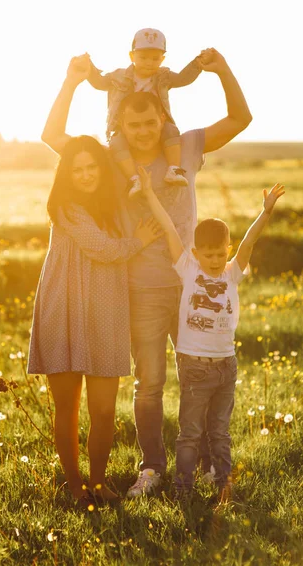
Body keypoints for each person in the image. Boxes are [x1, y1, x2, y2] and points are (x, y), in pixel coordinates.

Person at [41, 46, 253, 499]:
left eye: (149, 122)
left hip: (193, 286)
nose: (141, 132)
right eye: (132, 124)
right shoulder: (110, 159)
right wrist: (72, 81)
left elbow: (239, 120)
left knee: (209, 375)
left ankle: (214, 466)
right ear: (122, 123)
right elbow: (54, 136)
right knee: (150, 385)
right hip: (139, 290)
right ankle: (153, 468)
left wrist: (223, 70)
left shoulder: (188, 145)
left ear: (163, 119)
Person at [27, 132, 161, 504]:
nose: (86, 175)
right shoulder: (65, 206)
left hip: (105, 314)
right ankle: (75, 487)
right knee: (67, 408)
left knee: (103, 411)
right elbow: (101, 248)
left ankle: (100, 484)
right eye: (77, 169)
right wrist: (138, 242)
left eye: (91, 167)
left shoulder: (114, 204)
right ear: (66, 173)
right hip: (64, 311)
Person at [138, 164, 284, 499]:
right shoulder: (187, 268)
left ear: (228, 250)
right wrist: (148, 192)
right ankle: (183, 488)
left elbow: (250, 240)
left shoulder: (233, 273)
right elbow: (168, 227)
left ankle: (222, 487)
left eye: (221, 253)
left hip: (225, 366)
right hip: (194, 365)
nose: (216, 260)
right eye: (209, 254)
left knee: (220, 432)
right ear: (195, 252)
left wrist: (265, 213)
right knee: (189, 433)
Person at [87, 28, 202, 197]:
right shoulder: (118, 76)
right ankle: (134, 179)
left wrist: (197, 63)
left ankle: (173, 169)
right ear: (132, 56)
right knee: (117, 143)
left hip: (156, 124)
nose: (149, 63)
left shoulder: (164, 76)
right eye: (143, 58)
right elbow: (99, 83)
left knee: (171, 131)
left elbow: (183, 79)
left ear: (162, 59)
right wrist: (88, 66)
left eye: (155, 58)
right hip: (125, 125)